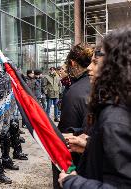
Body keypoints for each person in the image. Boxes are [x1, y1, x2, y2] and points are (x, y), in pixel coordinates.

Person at [59, 28, 131, 189]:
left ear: (117, 65)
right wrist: (91, 145)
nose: (90, 68)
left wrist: (72, 182)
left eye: (96, 62)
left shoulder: (116, 120)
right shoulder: (121, 105)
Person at [52, 44, 93, 189]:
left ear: (73, 63)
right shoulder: (101, 85)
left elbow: (66, 137)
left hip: (78, 166)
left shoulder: (75, 92)